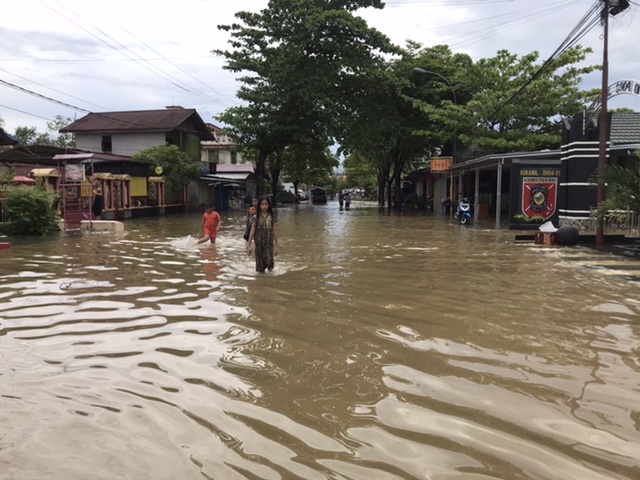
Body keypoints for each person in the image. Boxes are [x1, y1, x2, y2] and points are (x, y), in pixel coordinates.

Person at [246, 195, 278, 273]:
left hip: (269, 243)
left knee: (269, 261)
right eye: (262, 204)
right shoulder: (255, 217)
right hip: (259, 243)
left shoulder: (272, 217)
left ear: (269, 205)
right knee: (260, 266)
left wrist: (277, 245)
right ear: (259, 205)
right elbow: (252, 231)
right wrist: (248, 245)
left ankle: (270, 279)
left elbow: (275, 231)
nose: (264, 206)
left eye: (266, 204)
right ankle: (261, 281)